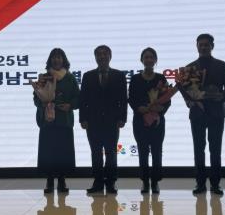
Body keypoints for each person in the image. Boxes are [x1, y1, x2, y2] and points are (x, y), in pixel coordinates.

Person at [184, 34, 225, 196]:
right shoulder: (189, 68)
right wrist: (189, 101)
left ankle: (215, 184)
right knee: (198, 149)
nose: (204, 47)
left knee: (215, 149)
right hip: (197, 113)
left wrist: (223, 97)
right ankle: (200, 184)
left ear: (212, 46)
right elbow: (185, 89)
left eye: (207, 44)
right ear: (196, 46)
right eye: (201, 44)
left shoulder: (221, 65)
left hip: (216, 112)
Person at [79, 45, 128, 195]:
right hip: (92, 121)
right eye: (99, 54)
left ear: (110, 56)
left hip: (112, 121)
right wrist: (82, 119)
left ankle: (111, 182)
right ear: (95, 57)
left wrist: (122, 118)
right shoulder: (87, 76)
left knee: (111, 152)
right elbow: (83, 100)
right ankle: (98, 182)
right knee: (95, 152)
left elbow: (123, 100)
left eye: (105, 54)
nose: (102, 56)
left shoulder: (119, 75)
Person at [33, 48, 80, 194]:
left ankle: (61, 180)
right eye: (54, 57)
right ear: (50, 60)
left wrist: (70, 105)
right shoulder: (44, 77)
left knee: (63, 152)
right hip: (48, 120)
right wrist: (43, 103)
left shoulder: (70, 78)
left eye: (59, 57)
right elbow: (36, 98)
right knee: (48, 152)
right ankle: (49, 181)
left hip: (64, 121)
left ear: (64, 60)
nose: (56, 60)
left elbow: (78, 98)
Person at [128, 47, 171, 194]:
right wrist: (139, 108)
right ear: (142, 60)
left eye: (151, 57)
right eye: (146, 57)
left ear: (155, 60)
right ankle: (145, 182)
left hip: (157, 121)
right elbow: (131, 99)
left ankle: (155, 182)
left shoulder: (161, 78)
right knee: (143, 151)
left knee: (157, 151)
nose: (149, 60)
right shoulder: (135, 79)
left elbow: (167, 100)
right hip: (140, 120)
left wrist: (160, 109)